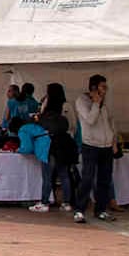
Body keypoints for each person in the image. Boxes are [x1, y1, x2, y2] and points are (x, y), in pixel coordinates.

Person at [29, 82, 78, 214]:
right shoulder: (66, 106)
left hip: (48, 144)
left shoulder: (48, 107)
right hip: (64, 144)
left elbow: (40, 122)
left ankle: (45, 202)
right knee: (64, 174)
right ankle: (66, 203)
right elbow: (73, 125)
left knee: (47, 175)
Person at [75, 74, 117, 223]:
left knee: (105, 180)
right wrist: (96, 103)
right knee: (87, 178)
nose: (105, 90)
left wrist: (114, 142)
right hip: (91, 145)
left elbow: (111, 122)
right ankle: (79, 210)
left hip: (106, 146)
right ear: (94, 87)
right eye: (102, 87)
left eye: (106, 87)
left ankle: (101, 210)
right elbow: (90, 120)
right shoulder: (82, 101)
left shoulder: (105, 102)